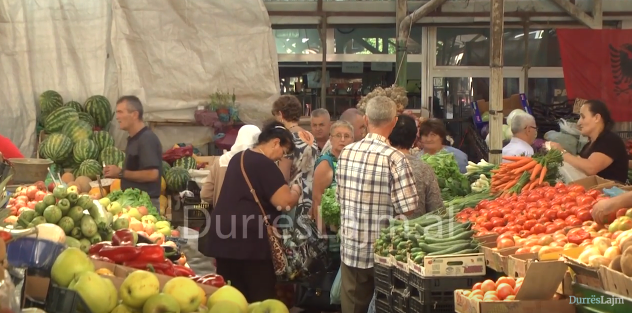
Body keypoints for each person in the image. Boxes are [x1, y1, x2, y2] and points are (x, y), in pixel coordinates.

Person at [336, 96, 418, 313]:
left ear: (365, 119)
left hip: (352, 247)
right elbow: (408, 208)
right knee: (386, 306)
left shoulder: (346, 152)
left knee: (353, 307)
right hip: (385, 252)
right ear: (394, 121)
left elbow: (339, 197)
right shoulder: (395, 158)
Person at [206, 121, 302, 303]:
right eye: (284, 151)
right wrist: (296, 190)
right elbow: (285, 203)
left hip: (225, 238)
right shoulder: (265, 165)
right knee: (259, 298)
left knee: (232, 296)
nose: (282, 156)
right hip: (251, 243)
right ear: (275, 142)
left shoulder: (238, 158)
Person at [103, 96, 162, 209]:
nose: (117, 117)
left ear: (134, 114)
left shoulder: (146, 139)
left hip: (145, 205)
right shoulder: (134, 138)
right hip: (135, 203)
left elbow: (152, 174)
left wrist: (120, 173)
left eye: (120, 112)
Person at [549, 100, 628, 183]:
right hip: (592, 193)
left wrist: (562, 153)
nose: (579, 123)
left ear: (597, 118)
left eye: (583, 117)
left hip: (611, 193)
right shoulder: (588, 145)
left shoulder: (610, 140)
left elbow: (591, 168)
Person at [271, 95, 318, 218]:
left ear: (280, 114)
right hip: (311, 197)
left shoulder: (286, 139)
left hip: (294, 200)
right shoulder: (310, 136)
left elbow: (283, 177)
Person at [389, 114, 443, 216]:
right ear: (415, 139)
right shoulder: (424, 169)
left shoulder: (378, 163)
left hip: (381, 229)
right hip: (414, 229)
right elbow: (437, 209)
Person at [311, 121, 354, 239]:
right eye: (338, 135)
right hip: (331, 230)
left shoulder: (351, 162)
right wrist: (322, 233)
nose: (342, 139)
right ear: (331, 139)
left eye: (347, 136)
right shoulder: (326, 163)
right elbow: (317, 199)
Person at [200, 125, 261, 207]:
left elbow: (205, 194)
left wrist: (218, 200)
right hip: (248, 215)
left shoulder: (221, 161)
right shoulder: (259, 162)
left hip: (221, 214)